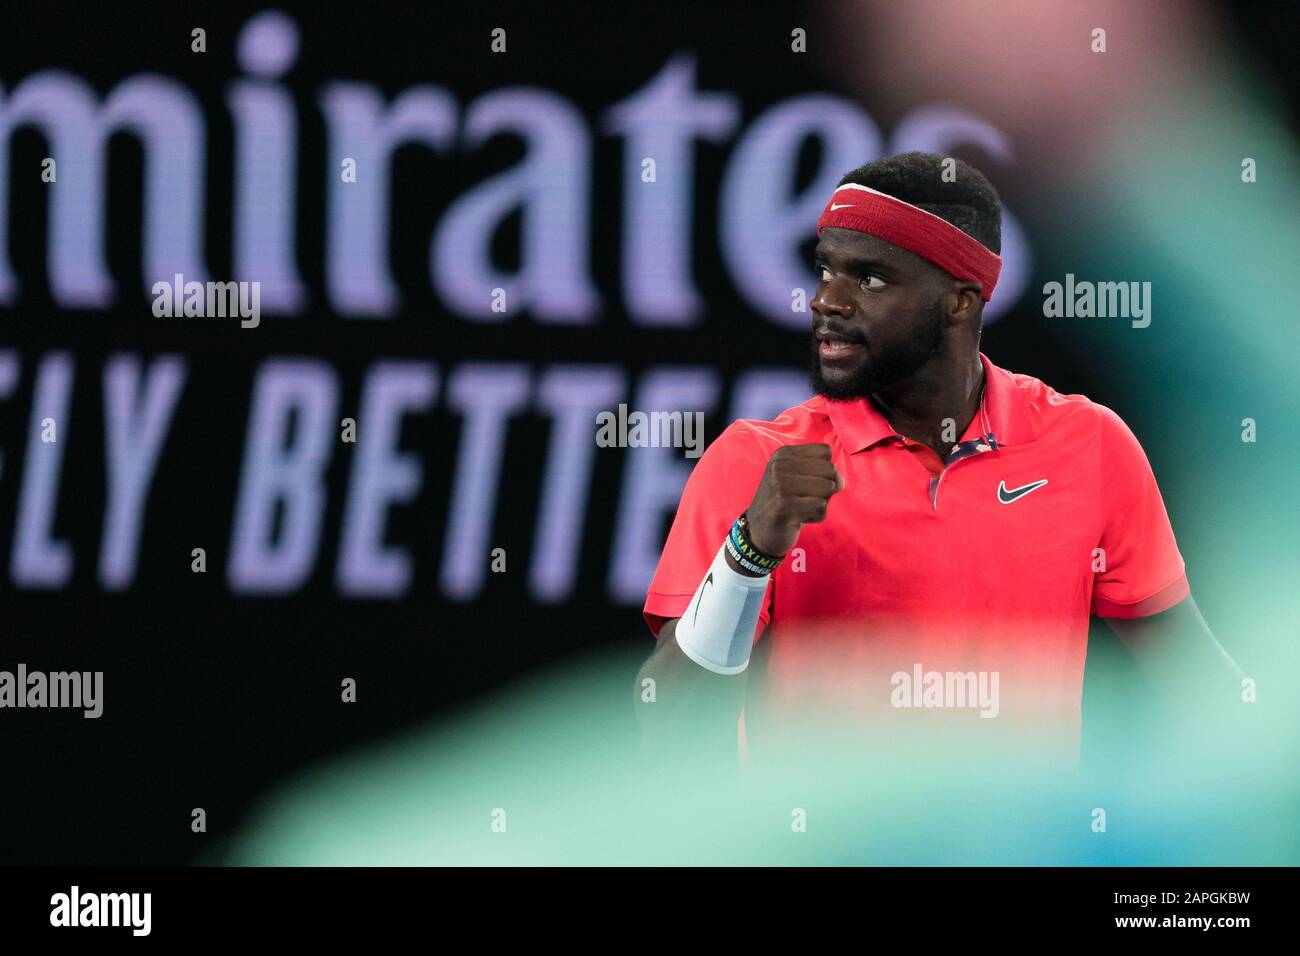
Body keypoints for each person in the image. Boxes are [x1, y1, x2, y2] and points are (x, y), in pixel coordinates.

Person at [636, 152, 1241, 761]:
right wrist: (748, 554)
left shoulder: (1091, 445)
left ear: (959, 302)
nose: (827, 302)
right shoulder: (755, 462)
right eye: (826, 271)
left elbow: (1208, 694)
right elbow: (666, 727)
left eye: (869, 279)